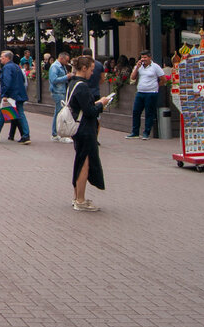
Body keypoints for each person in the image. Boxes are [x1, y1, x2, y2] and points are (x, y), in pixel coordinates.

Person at [67, 55, 116, 212]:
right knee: (84, 164)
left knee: (80, 162)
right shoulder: (82, 86)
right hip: (85, 130)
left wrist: (95, 103)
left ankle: (77, 197)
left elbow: (82, 106)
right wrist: (101, 104)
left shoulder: (73, 83)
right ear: (84, 68)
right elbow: (89, 111)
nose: (92, 73)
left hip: (78, 128)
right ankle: (80, 200)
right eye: (91, 70)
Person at [0, 50, 30, 144]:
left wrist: (4, 94)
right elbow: (22, 80)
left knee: (11, 113)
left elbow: (7, 81)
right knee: (7, 114)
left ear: (7, 58)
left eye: (2, 57)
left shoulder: (7, 68)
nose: (0, 58)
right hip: (19, 94)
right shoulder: (16, 67)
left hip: (11, 96)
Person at [127, 50, 166, 140]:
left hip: (151, 93)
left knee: (149, 113)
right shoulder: (139, 67)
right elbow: (132, 77)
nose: (143, 59)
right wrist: (137, 67)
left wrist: (156, 86)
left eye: (145, 57)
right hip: (140, 92)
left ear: (150, 57)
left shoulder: (155, 67)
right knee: (136, 112)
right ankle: (135, 132)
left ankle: (146, 133)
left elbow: (163, 79)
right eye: (142, 57)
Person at [49, 51, 71, 142]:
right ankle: (57, 134)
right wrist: (67, 77)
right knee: (59, 113)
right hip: (58, 92)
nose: (67, 62)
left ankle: (56, 133)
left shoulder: (61, 66)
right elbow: (53, 79)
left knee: (58, 113)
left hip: (61, 91)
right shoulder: (55, 66)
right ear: (61, 58)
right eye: (66, 60)